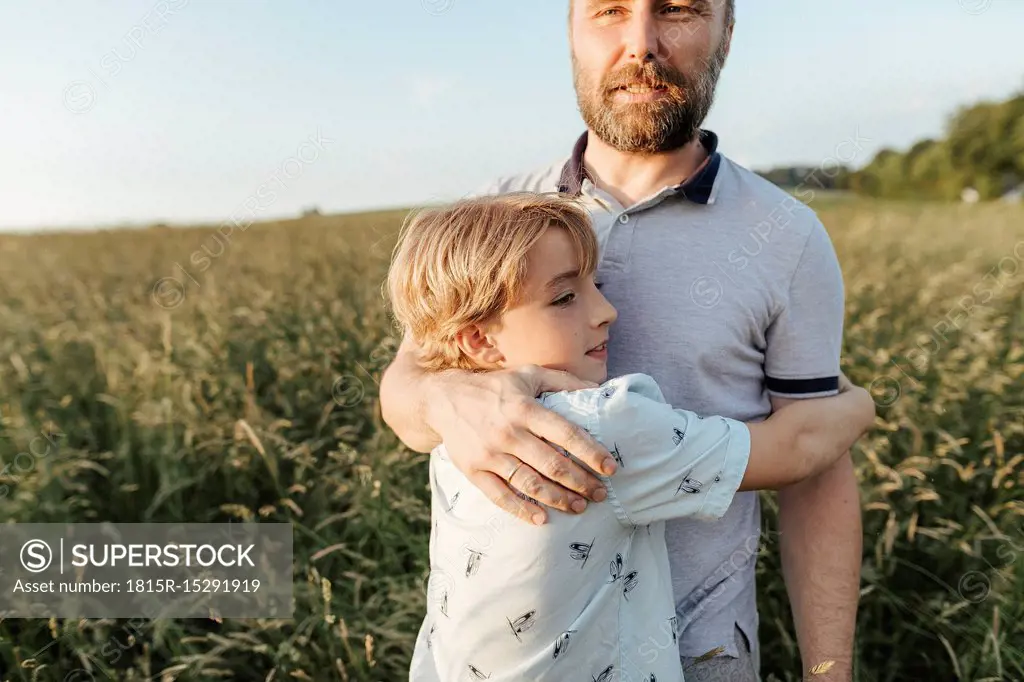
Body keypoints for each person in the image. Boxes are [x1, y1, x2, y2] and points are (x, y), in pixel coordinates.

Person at [381, 1, 862, 679]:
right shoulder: (496, 217)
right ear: (571, 32)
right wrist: (445, 401)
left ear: (726, 30)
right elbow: (405, 389)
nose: (641, 43)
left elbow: (817, 469)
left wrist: (830, 671)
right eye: (610, 10)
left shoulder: (788, 235)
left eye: (678, 10)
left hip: (701, 656)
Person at [385, 193, 874, 682]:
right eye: (564, 297)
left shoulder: (458, 430)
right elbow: (796, 450)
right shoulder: (601, 424)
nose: (606, 310)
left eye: (593, 285)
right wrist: (861, 403)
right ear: (479, 339)